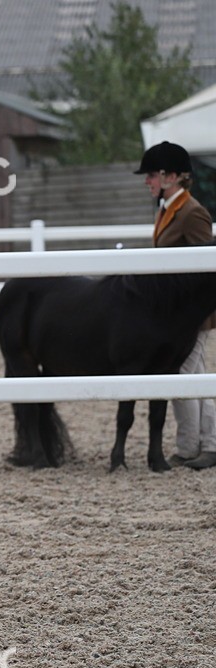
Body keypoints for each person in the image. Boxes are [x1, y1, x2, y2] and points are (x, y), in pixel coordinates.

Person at [135, 142, 216, 469]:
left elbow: (207, 268)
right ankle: (203, 444)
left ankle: (192, 446)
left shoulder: (192, 212)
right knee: (195, 376)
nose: (147, 181)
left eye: (152, 175)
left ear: (170, 177)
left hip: (193, 316)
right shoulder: (167, 208)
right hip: (176, 315)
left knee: (183, 374)